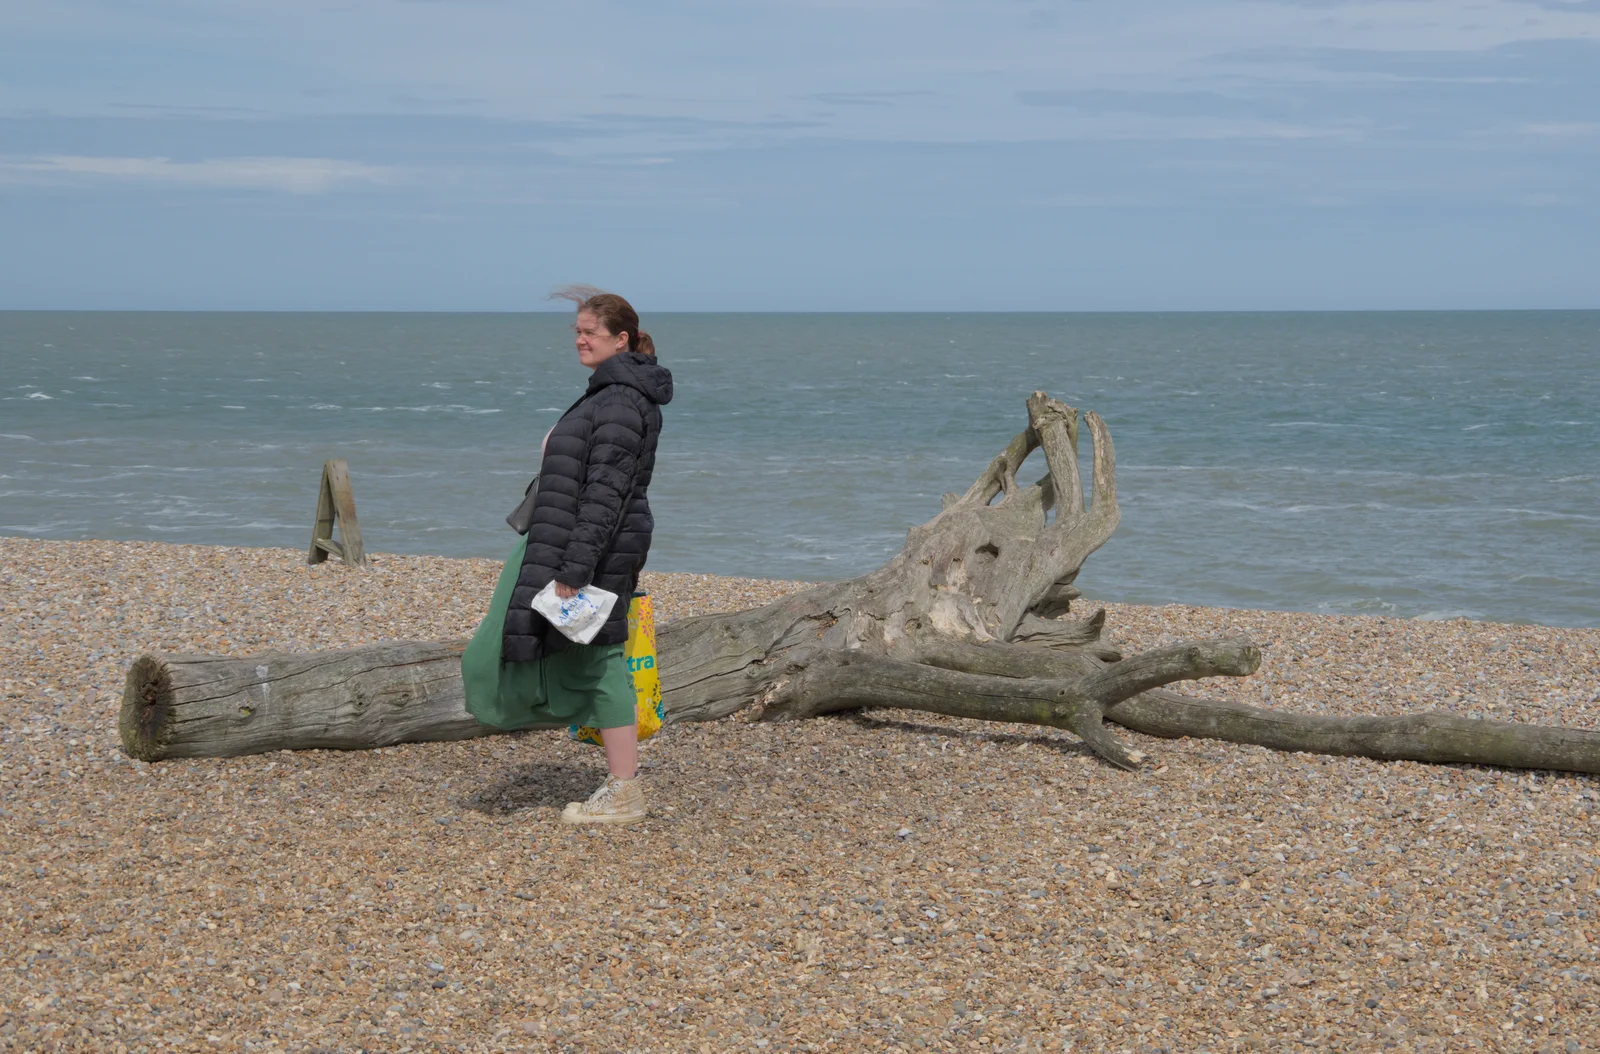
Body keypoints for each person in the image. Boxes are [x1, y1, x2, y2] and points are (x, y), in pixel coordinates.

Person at [461, 287, 673, 825]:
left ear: (620, 339)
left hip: (589, 549)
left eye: (590, 333)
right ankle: (616, 778)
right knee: (533, 653)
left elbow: (607, 492)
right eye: (576, 332)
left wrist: (575, 571)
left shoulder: (623, 400)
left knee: (600, 660)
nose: (580, 340)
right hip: (555, 539)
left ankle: (624, 791)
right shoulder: (606, 393)